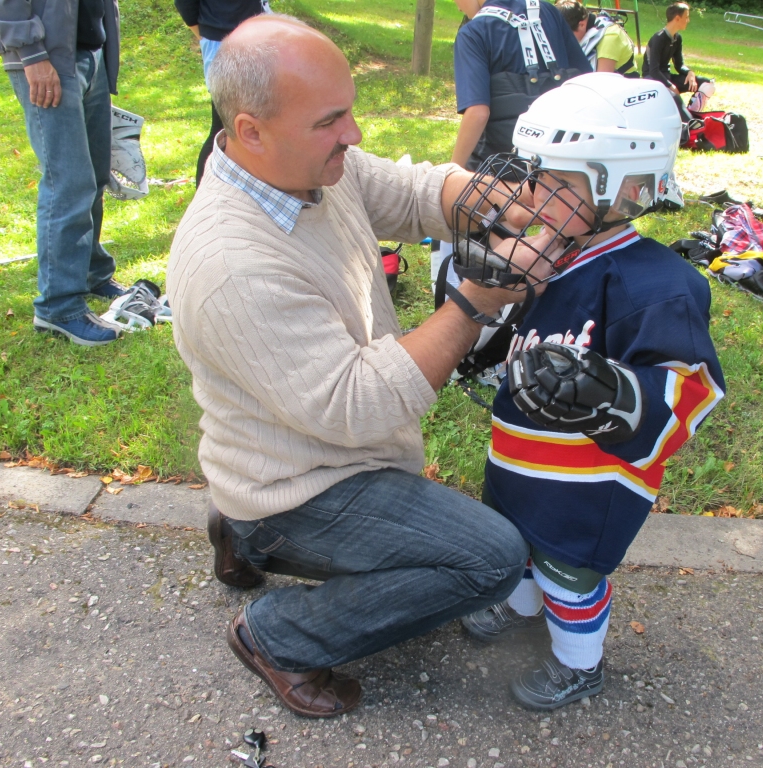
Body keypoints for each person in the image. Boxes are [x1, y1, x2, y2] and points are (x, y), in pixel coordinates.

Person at [167, 15, 560, 719]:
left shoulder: (306, 166)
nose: (351, 133)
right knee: (490, 559)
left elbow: (407, 192)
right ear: (251, 129)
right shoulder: (232, 265)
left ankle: (237, 522)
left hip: (294, 451)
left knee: (444, 534)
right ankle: (278, 634)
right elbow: (360, 407)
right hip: (308, 482)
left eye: (349, 112)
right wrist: (474, 303)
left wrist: (489, 200)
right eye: (331, 121)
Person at [454, 73, 726, 710]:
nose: (528, 192)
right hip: (518, 456)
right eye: (532, 174)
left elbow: (692, 392)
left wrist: (618, 393)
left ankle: (580, 663)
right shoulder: (546, 255)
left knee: (566, 571)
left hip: (587, 482)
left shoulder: (659, 286)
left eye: (553, 179)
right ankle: (516, 605)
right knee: (512, 542)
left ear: (621, 185)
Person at [0, 0, 127, 346]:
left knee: (94, 175)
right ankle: (58, 306)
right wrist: (31, 55)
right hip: (46, 59)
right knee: (68, 181)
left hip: (89, 49)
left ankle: (91, 272)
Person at [451, 0, 590, 170]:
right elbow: (586, 79)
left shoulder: (473, 33)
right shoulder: (548, 11)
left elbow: (478, 113)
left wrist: (452, 170)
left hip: (504, 167)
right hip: (562, 160)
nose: (456, 6)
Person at [174, 0, 268, 184]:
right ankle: (204, 192)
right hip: (223, 38)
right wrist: (206, 32)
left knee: (255, 121)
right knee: (224, 127)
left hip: (256, 33)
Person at [641, 2, 715, 123]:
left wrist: (690, 73)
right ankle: (690, 124)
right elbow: (653, 71)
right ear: (677, 18)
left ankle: (692, 113)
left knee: (706, 84)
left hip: (667, 77)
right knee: (675, 98)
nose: (688, 20)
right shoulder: (658, 38)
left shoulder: (677, 38)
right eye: (686, 17)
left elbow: (679, 65)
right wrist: (671, 86)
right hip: (653, 80)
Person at [556, 0, 640, 77]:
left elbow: (601, 81)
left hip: (622, 88)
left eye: (567, 35)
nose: (564, 40)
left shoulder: (610, 36)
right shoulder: (587, 28)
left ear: (582, 25)